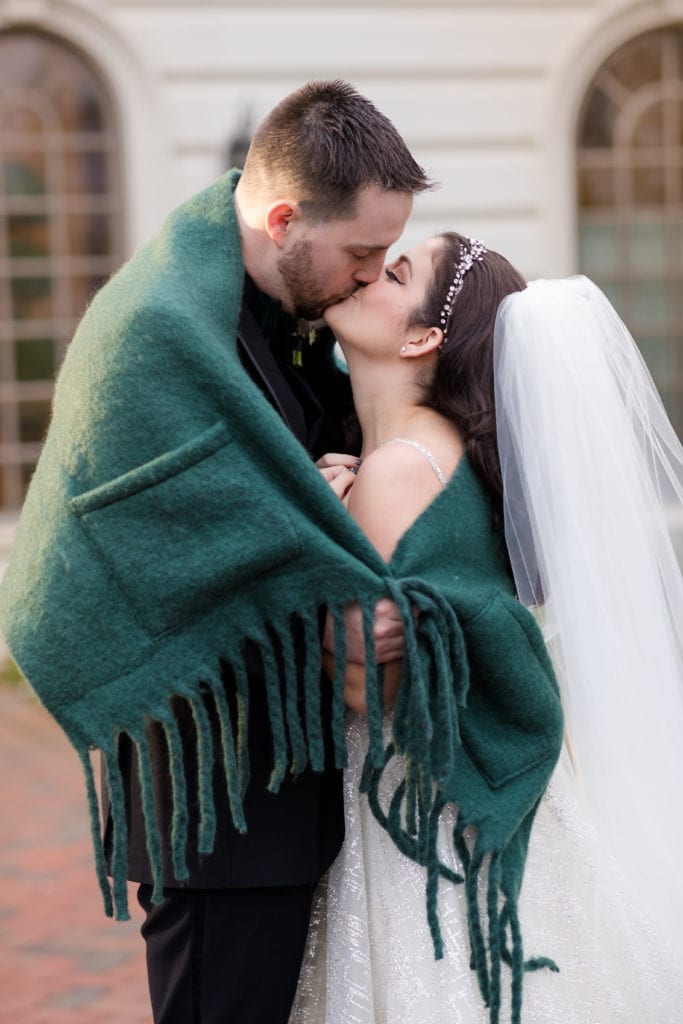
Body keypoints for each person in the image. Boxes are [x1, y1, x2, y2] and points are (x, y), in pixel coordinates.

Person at [0, 80, 433, 1024]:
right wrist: (299, 521)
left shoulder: (273, 314)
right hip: (211, 794)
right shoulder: (160, 331)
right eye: (361, 253)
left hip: (270, 775)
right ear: (282, 218)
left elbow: (275, 473)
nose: (371, 275)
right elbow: (147, 542)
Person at [289, 233, 683, 1022]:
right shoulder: (418, 457)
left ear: (422, 336)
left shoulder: (402, 466)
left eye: (394, 273)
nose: (368, 272)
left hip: (419, 844)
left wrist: (314, 539)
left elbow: (362, 682)